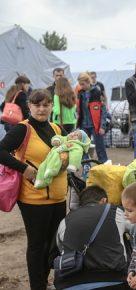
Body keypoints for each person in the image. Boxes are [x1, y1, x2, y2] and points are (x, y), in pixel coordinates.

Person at [0, 89, 68, 290]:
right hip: (33, 199)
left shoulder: (57, 129)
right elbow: (1, 151)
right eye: (37, 105)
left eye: (46, 105)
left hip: (58, 197)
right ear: (29, 106)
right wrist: (24, 168)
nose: (41, 109)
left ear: (51, 106)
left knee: (53, 245)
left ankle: (44, 279)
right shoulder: (23, 129)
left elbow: (71, 148)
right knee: (38, 245)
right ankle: (37, 286)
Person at [53, 185, 132, 290]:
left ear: (81, 204)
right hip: (113, 280)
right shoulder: (114, 211)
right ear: (104, 200)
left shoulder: (65, 221)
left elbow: (61, 249)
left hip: (70, 283)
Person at [76, 72, 109, 163]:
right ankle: (86, 165)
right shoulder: (80, 93)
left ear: (88, 81)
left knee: (100, 147)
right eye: (80, 84)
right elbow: (79, 110)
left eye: (82, 84)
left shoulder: (97, 92)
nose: (81, 86)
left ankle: (104, 164)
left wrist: (102, 126)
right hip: (83, 125)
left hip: (96, 125)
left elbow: (103, 110)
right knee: (83, 147)